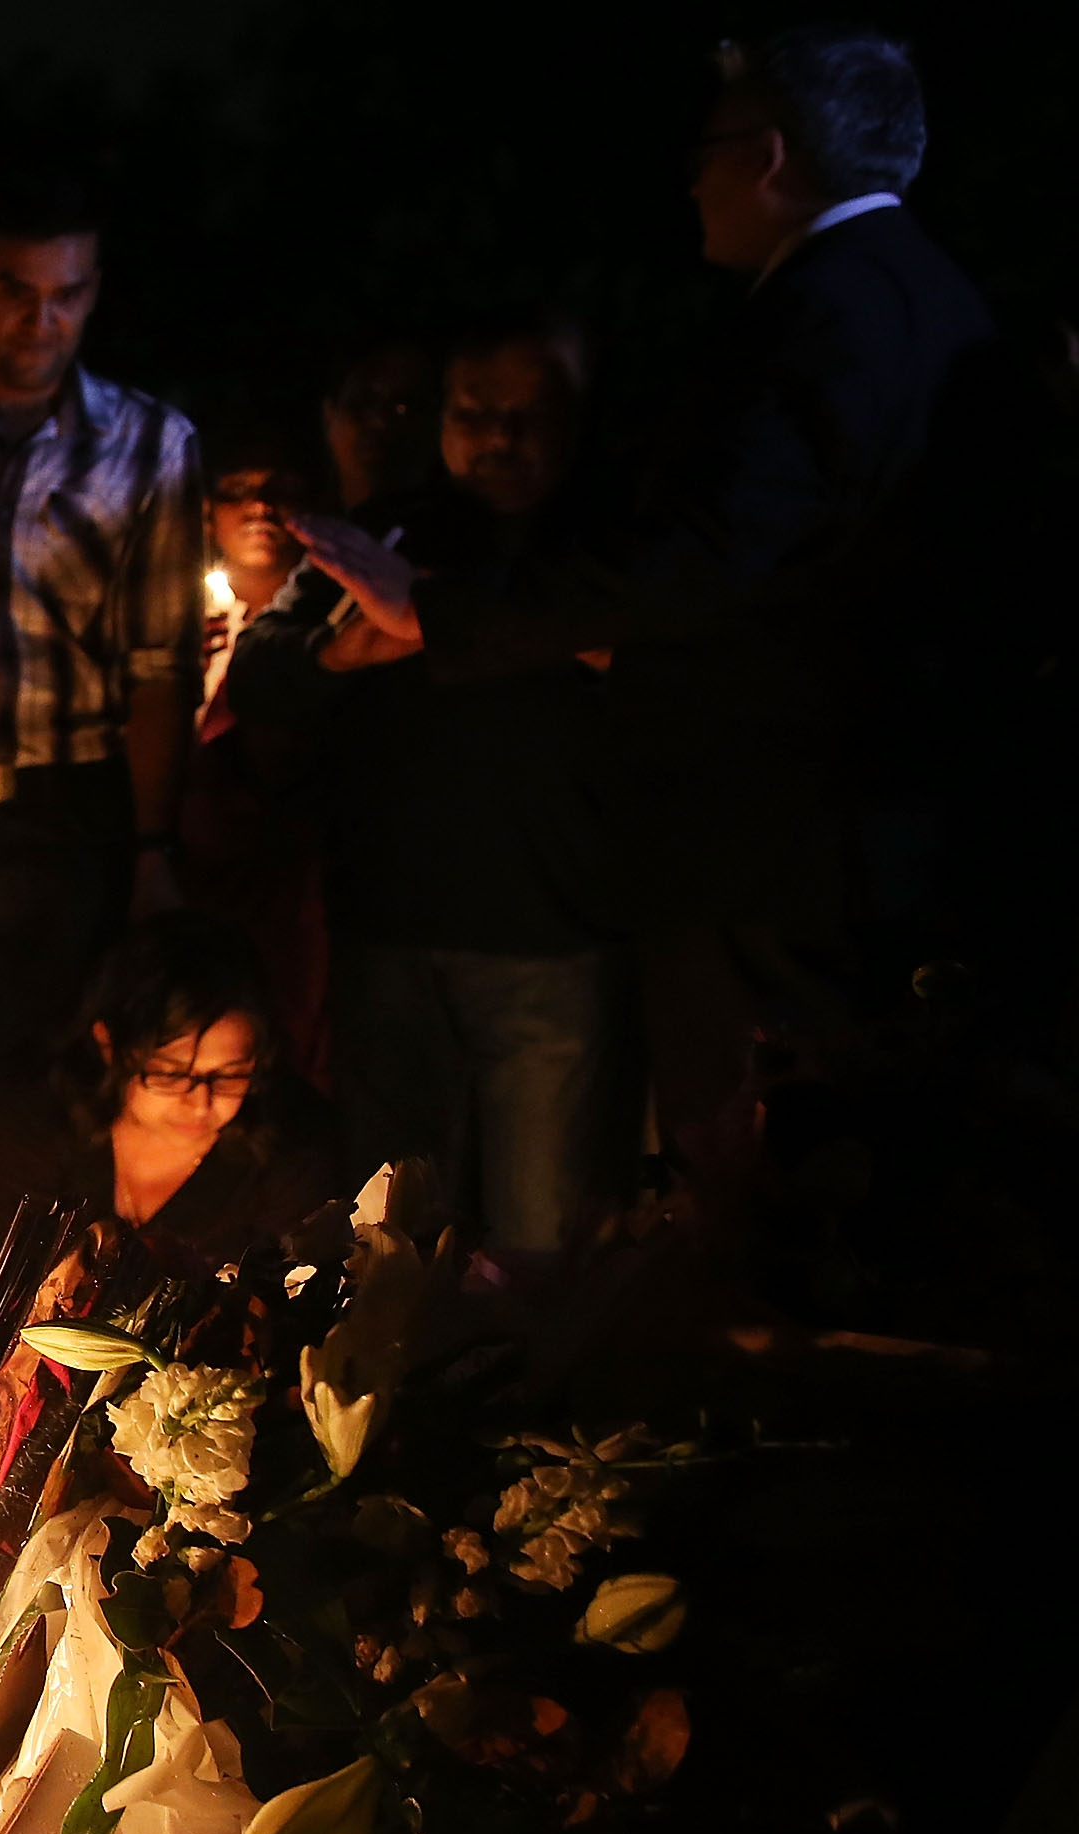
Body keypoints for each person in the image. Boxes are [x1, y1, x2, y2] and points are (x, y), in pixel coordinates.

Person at [289, 27, 999, 1174]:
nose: (692, 179)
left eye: (710, 149)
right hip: (880, 825)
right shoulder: (936, 298)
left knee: (784, 1148)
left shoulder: (826, 315)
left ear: (769, 157)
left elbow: (716, 557)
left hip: (793, 841)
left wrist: (445, 610)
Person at [0, 185, 206, 1268]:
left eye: (66, 294)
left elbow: (161, 663)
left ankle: (12, 1380)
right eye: (16, 291)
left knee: (39, 1100)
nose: (41, 319)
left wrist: (153, 847)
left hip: (69, 811)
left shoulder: (150, 443)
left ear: (94, 295)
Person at [233, 322, 619, 1256]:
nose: (498, 438)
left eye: (526, 416)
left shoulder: (608, 540)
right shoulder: (393, 528)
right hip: (391, 935)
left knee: (544, 1238)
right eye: (474, 413)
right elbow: (259, 670)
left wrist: (455, 620)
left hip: (548, 938)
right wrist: (345, 649)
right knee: (390, 1245)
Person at [36, 914, 339, 1265]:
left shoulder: (294, 1147)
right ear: (109, 1044)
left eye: (230, 1076)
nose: (200, 1103)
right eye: (172, 1075)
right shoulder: (43, 1121)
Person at [180, 415, 331, 1091]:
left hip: (300, 880)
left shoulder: (335, 621)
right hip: (196, 871)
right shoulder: (177, 620)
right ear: (208, 511)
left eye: (281, 485)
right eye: (239, 487)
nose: (262, 504)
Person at [319, 336, 438, 512]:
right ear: (329, 416)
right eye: (363, 403)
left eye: (403, 408)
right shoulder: (291, 529)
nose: (380, 421)